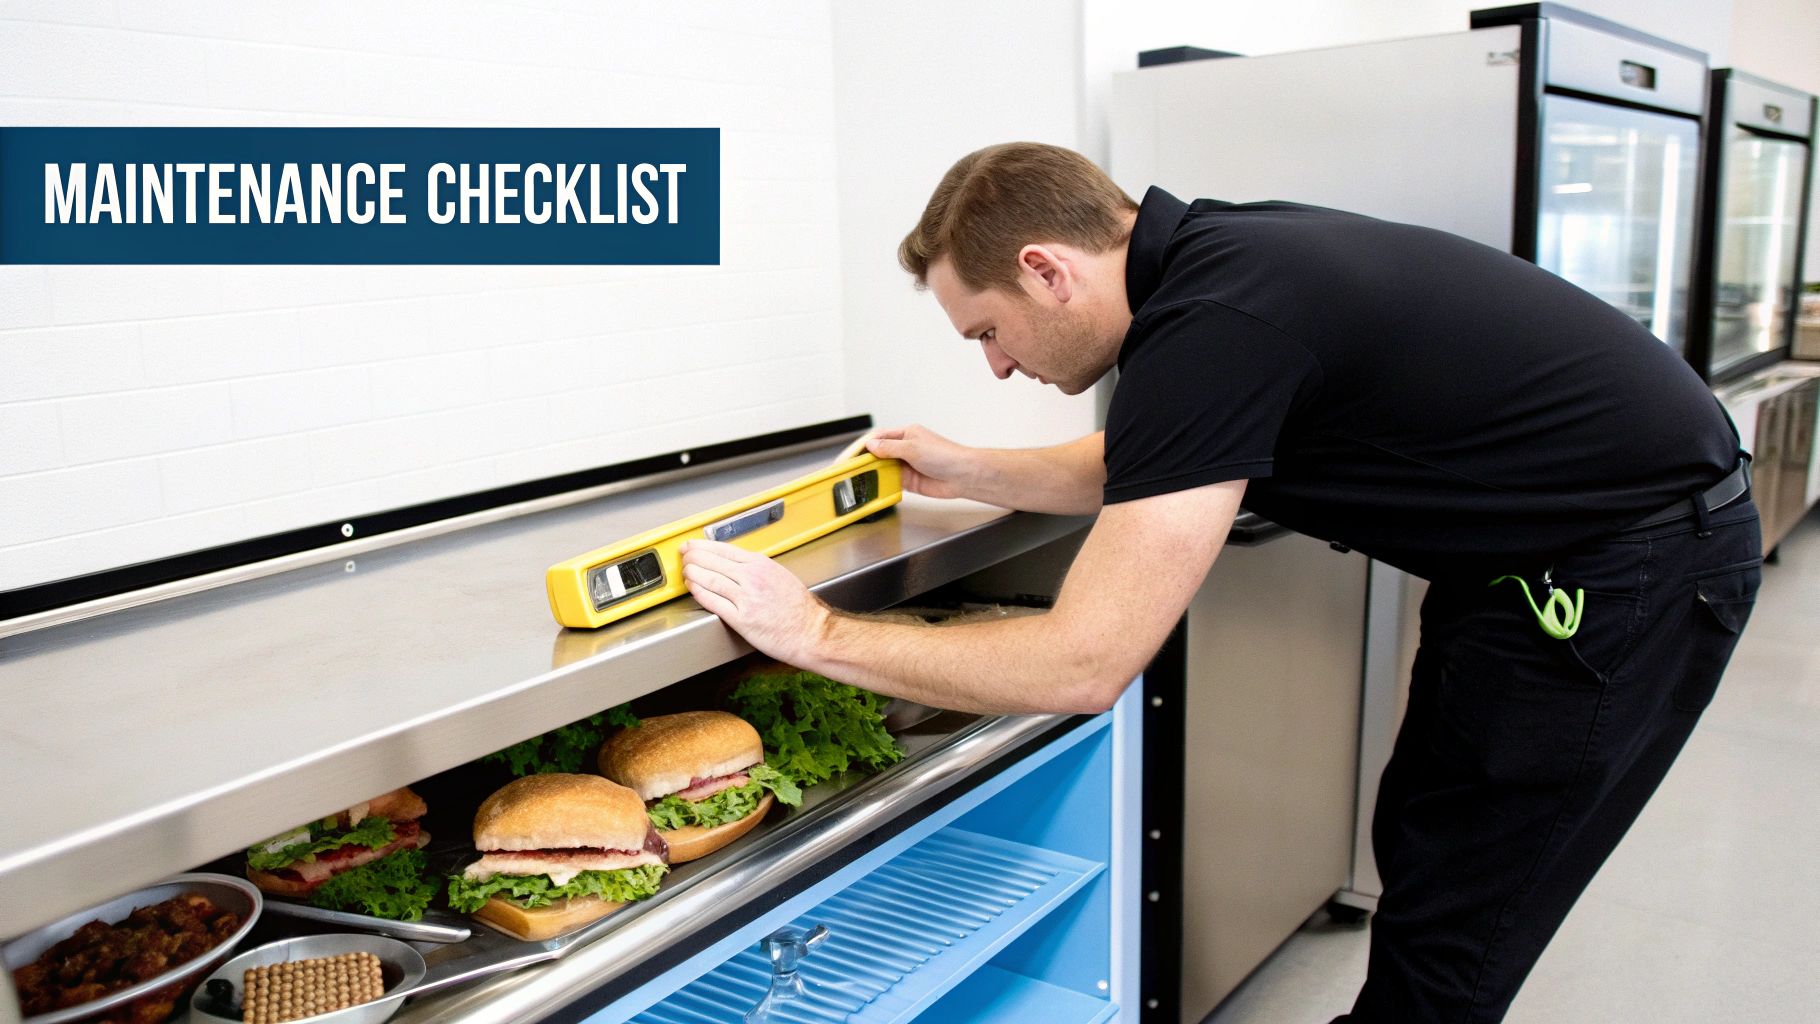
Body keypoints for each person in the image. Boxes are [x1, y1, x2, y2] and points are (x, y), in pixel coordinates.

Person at [678, 142, 1761, 1022]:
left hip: (1626, 575)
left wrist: (814, 631)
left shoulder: (1211, 328)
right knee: (1427, 841)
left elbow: (1083, 662)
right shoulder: (1216, 258)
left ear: (1049, 269)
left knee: (1464, 910)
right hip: (1539, 558)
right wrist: (971, 469)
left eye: (989, 332)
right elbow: (1163, 455)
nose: (997, 366)